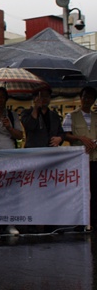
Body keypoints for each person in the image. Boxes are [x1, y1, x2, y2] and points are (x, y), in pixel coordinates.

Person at [0, 86, 23, 237]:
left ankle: (10, 223)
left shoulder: (12, 115)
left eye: (2, 97)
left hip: (10, 157)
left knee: (10, 191)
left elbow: (19, 135)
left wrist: (9, 127)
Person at [62, 86, 97, 231]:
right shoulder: (71, 116)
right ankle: (80, 221)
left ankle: (93, 221)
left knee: (94, 190)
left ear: (94, 100)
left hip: (95, 158)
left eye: (90, 97)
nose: (87, 100)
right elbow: (65, 135)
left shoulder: (96, 116)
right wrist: (80, 138)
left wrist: (93, 143)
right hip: (79, 160)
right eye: (85, 97)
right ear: (80, 98)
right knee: (80, 191)